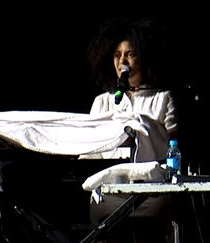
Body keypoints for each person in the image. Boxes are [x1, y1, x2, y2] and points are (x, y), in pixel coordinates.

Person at [85, 17, 178, 243]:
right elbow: (90, 151)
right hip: (110, 190)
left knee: (149, 230)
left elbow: (173, 148)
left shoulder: (162, 98)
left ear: (144, 57)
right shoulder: (102, 102)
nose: (122, 61)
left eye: (130, 54)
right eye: (117, 55)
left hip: (152, 190)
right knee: (113, 229)